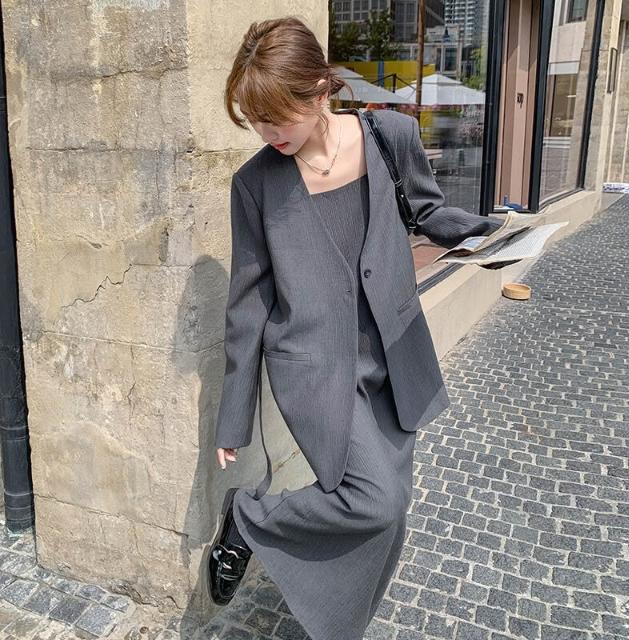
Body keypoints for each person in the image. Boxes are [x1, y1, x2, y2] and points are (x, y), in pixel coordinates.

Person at [207, 16, 504, 640]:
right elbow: (248, 302)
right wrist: (234, 416)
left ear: (320, 89)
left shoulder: (390, 136)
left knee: (391, 519)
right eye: (256, 120)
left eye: (278, 116)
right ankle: (249, 519)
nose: (269, 133)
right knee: (378, 500)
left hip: (395, 353)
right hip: (315, 368)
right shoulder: (255, 185)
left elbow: (427, 210)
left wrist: (490, 235)